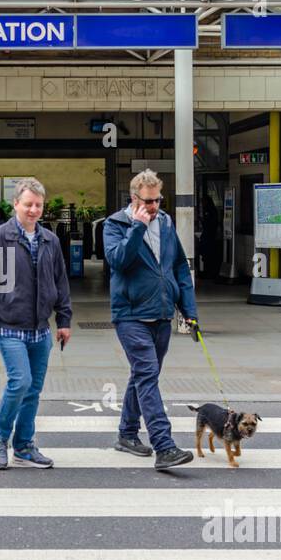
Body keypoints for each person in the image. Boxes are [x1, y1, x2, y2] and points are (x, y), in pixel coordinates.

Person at [0, 177, 72, 470]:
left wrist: (64, 319)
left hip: (41, 328)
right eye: (28, 204)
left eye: (38, 205)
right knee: (20, 382)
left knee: (34, 390)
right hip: (10, 325)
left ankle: (24, 445)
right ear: (16, 204)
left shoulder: (50, 240)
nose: (34, 210)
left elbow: (60, 282)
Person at [102, 169, 200, 472]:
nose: (155, 206)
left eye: (158, 199)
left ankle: (126, 434)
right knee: (146, 373)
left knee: (143, 375)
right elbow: (117, 260)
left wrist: (190, 311)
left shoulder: (167, 223)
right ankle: (164, 446)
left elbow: (179, 268)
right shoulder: (115, 224)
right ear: (134, 199)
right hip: (130, 314)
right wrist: (137, 227)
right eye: (148, 201)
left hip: (161, 313)